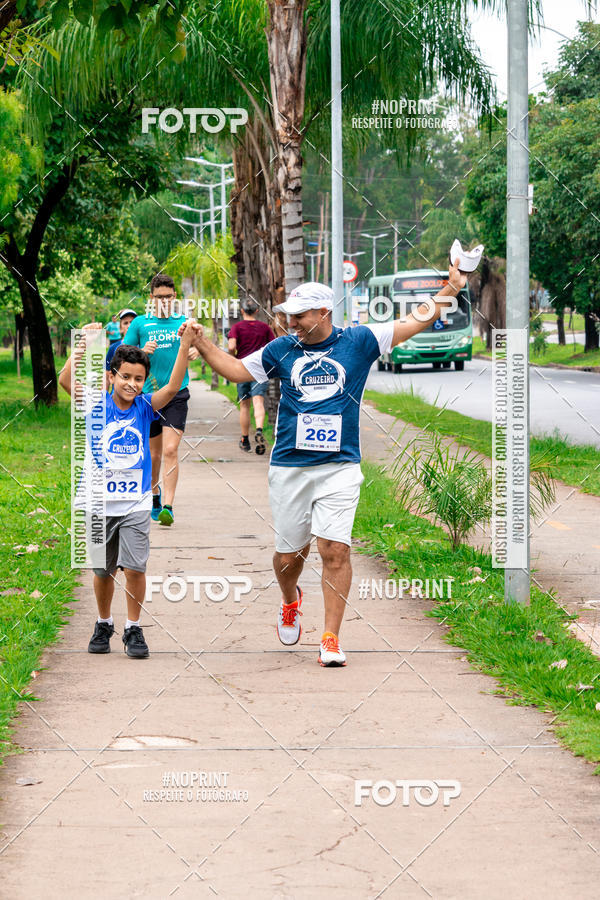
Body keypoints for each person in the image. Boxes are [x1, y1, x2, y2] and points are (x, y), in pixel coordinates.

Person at [183, 264, 466, 667]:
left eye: (299, 315)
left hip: (340, 466)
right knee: (288, 557)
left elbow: (414, 321)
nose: (291, 322)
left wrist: (451, 287)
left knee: (334, 549)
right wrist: (204, 342)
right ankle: (290, 599)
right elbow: (235, 371)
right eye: (289, 316)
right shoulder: (281, 349)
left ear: (323, 314)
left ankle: (331, 638)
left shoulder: (360, 341)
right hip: (290, 468)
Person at [58, 321, 197, 658]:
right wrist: (82, 347)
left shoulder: (146, 406)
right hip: (97, 503)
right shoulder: (93, 402)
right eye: (124, 377)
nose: (131, 384)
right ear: (111, 376)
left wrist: (185, 347)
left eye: (138, 379)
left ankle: (133, 628)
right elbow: (64, 380)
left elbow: (174, 385)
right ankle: (104, 622)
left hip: (134, 504)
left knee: (136, 568)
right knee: (103, 570)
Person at [122, 274, 197, 527]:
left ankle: (169, 506)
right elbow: (122, 358)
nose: (164, 301)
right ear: (151, 298)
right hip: (147, 398)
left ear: (174, 296)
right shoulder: (141, 324)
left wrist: (195, 350)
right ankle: (155, 495)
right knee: (153, 455)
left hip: (177, 394)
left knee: (170, 450)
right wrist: (142, 353)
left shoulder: (184, 324)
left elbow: (198, 347)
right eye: (159, 297)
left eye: (168, 296)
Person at [228, 299, 276, 454]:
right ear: (256, 311)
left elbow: (231, 346)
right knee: (258, 401)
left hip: (241, 369)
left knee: (244, 406)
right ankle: (260, 430)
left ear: (242, 311)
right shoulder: (264, 328)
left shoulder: (237, 327)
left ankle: (245, 439)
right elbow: (273, 346)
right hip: (260, 370)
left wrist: (233, 358)